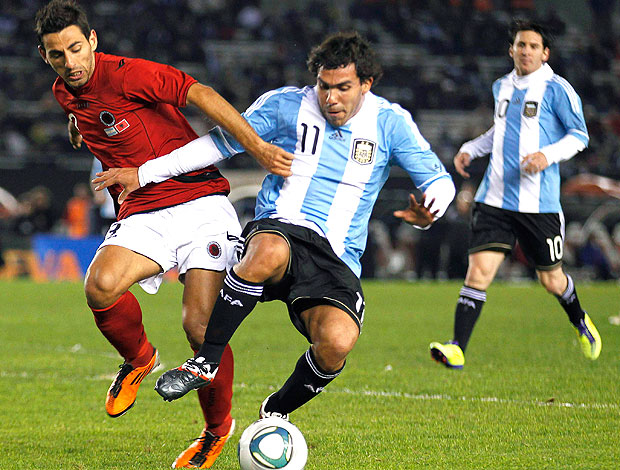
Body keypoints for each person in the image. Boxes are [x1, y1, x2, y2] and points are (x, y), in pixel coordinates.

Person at [94, 31, 456, 420]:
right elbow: (216, 145)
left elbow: (439, 181)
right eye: (324, 86)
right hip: (280, 227)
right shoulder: (285, 106)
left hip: (335, 257)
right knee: (270, 250)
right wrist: (145, 173)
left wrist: (432, 208)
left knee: (337, 342)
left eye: (343, 88)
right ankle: (206, 363)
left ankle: (275, 412)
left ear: (367, 84)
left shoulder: (390, 122)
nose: (331, 98)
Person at [35, 1, 292, 468]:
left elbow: (201, 93)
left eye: (76, 48)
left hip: (199, 201)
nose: (69, 62)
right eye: (57, 55)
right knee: (100, 286)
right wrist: (80, 129)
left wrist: (256, 147)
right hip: (144, 209)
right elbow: (91, 114)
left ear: (92, 41)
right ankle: (139, 359)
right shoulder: (64, 91)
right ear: (45, 56)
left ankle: (216, 430)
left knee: (199, 327)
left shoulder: (128, 73)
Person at [428, 20, 602, 370]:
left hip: (539, 205)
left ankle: (581, 321)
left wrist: (546, 155)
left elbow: (579, 135)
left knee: (551, 279)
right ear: (511, 50)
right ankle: (457, 347)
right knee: (478, 273)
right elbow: (501, 131)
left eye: (533, 46)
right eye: (521, 45)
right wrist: (471, 148)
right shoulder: (501, 86)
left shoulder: (557, 89)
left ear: (545, 53)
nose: (526, 51)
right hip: (494, 199)